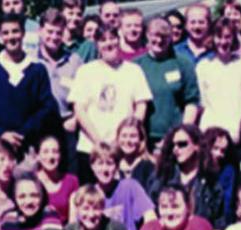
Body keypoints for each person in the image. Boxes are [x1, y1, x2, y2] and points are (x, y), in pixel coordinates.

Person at [68, 25, 152, 183]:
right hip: (90, 148)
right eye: (103, 40)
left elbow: (141, 105)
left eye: (112, 38)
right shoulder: (86, 71)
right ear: (96, 44)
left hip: (124, 150)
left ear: (119, 40)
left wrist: (127, 137)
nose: (108, 43)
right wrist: (99, 142)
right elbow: (79, 109)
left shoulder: (133, 71)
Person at [0, 13, 58, 154]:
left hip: (28, 147)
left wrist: (23, 133)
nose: (11, 37)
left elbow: (46, 108)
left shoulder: (37, 69)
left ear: (23, 33)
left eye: (15, 31)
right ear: (0, 36)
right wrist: (0, 133)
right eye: (6, 33)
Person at [147, 124, 228, 230]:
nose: (176, 149)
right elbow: (151, 213)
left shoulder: (210, 181)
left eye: (182, 144)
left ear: (197, 146)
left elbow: (218, 221)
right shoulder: (162, 177)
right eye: (173, 145)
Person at [135, 17, 200, 148]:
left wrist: (181, 134)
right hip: (144, 139)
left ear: (171, 38)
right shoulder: (136, 65)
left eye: (164, 37)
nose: (159, 41)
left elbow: (191, 102)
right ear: (147, 35)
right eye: (155, 36)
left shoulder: (183, 63)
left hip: (174, 139)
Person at [197, 17, 241, 141]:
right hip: (212, 132)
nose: (223, 41)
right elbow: (203, 103)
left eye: (228, 37)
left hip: (240, 132)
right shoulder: (203, 66)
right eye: (219, 37)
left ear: (233, 38)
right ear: (212, 38)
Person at [38, 8, 83, 174]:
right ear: (40, 31)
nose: (54, 37)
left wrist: (76, 119)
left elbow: (85, 96)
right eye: (50, 31)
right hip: (39, 126)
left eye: (58, 33)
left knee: (69, 173)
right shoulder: (30, 60)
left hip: (67, 125)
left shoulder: (75, 61)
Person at [85, 142, 155, 230]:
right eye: (100, 163)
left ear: (117, 166)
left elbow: (151, 218)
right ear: (92, 166)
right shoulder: (89, 195)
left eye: (109, 163)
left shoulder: (130, 186)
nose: (105, 169)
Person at [35, 135, 79, 223]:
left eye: (55, 152)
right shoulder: (30, 181)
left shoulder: (71, 181)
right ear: (38, 156)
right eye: (45, 152)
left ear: (60, 155)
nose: (51, 156)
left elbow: (73, 221)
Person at [202, 127, 238, 225]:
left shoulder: (228, 170)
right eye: (215, 148)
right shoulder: (197, 167)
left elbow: (227, 202)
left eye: (223, 151)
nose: (219, 154)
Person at [115, 118, 155, 191]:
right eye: (124, 136)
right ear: (118, 139)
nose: (128, 140)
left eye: (133, 136)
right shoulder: (113, 165)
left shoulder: (149, 167)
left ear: (141, 140)